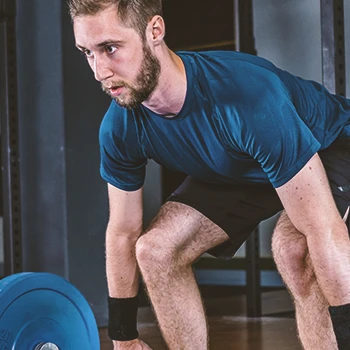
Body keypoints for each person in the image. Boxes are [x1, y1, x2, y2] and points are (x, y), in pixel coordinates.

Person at [69, 0, 350, 349]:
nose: (99, 71)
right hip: (241, 166)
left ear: (154, 31)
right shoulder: (120, 127)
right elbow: (123, 232)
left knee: (296, 250)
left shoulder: (246, 98)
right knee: (155, 249)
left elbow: (322, 228)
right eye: (88, 53)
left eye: (110, 48)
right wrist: (124, 337)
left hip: (328, 144)